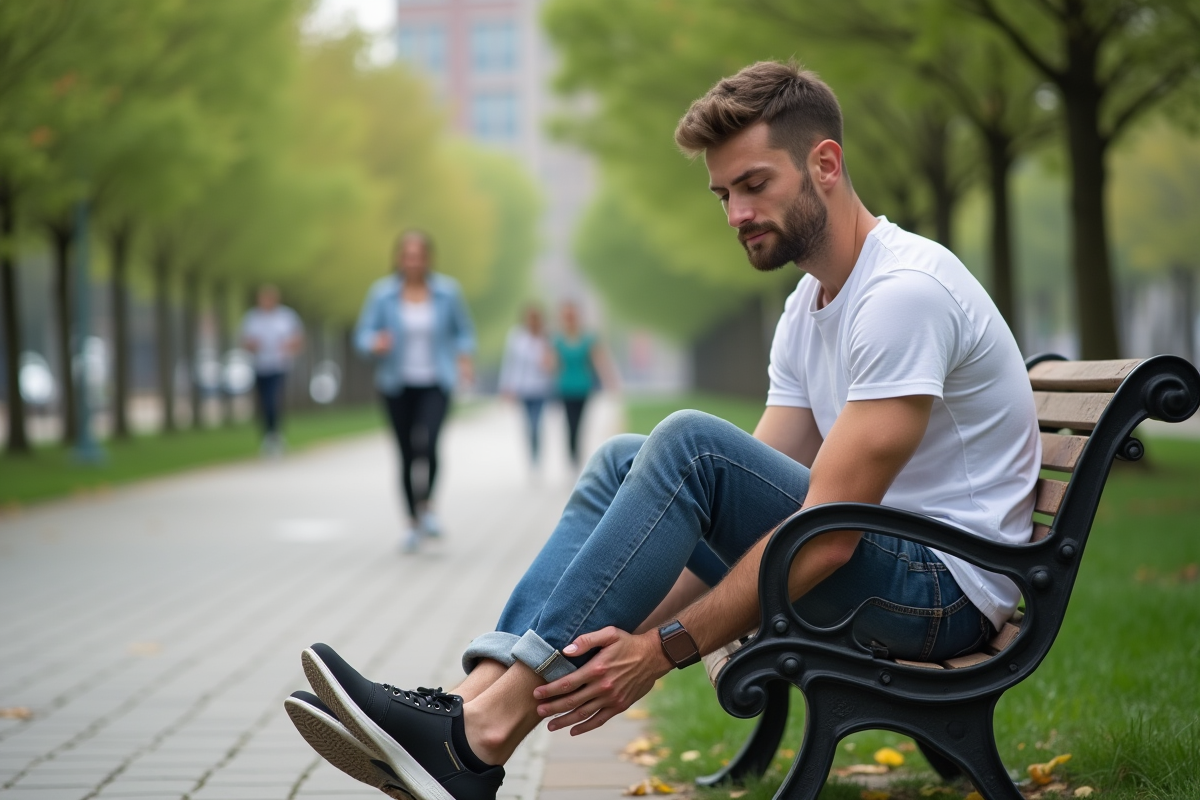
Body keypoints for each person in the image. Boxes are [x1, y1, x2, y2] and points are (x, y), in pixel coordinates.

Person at [284, 61, 1041, 800]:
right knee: (626, 459)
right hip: (884, 563)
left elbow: (827, 535)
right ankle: (467, 707)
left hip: (943, 592)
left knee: (687, 444)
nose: (736, 213)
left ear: (826, 163)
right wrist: (640, 613)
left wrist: (663, 649)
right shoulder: (808, 309)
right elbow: (728, 513)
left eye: (754, 184)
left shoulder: (902, 294)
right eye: (723, 194)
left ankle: (476, 736)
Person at [354, 230, 476, 553]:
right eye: (407, 255)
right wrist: (374, 342)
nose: (413, 262)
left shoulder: (447, 293)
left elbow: (464, 332)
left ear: (428, 259)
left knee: (431, 443)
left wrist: (463, 357)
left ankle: (428, 508)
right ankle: (411, 522)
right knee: (406, 452)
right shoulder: (382, 295)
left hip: (436, 380)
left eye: (419, 255)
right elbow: (362, 335)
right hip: (396, 383)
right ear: (398, 258)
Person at [239, 285, 303, 455]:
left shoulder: (286, 316)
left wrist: (289, 346)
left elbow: (298, 339)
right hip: (260, 365)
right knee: (263, 402)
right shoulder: (252, 317)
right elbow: (245, 341)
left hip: (279, 365)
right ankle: (268, 435)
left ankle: (275, 435)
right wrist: (253, 345)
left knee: (273, 400)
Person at [551, 301, 616, 467]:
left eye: (572, 316)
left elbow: (599, 361)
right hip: (565, 387)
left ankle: (576, 455)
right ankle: (572, 456)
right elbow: (551, 364)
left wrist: (610, 380)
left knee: (580, 423)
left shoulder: (588, 338)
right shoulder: (557, 339)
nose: (570, 319)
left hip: (583, 387)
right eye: (566, 316)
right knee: (569, 423)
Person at [498, 305, 554, 471]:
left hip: (541, 387)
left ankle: (537, 454)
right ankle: (532, 454)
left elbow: (552, 361)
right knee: (528, 424)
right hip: (522, 388)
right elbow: (509, 362)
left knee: (537, 423)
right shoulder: (516, 337)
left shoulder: (547, 337)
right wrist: (505, 386)